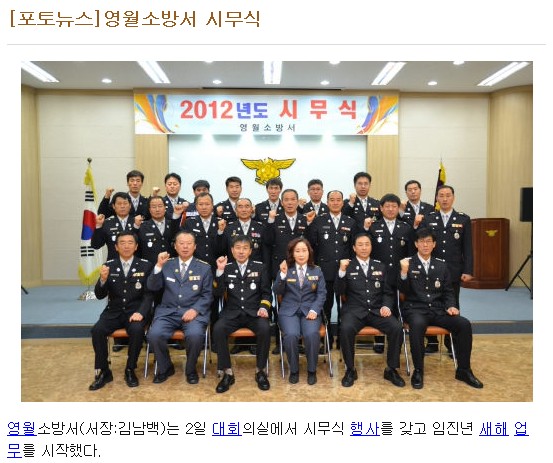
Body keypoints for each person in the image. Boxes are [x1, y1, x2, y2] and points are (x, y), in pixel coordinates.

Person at [398, 227, 483, 390]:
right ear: (416, 244)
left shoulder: (441, 265)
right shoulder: (407, 263)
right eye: (421, 241)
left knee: (464, 324)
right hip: (415, 309)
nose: (425, 245)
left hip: (438, 310)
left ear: (434, 244)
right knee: (417, 325)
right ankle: (418, 371)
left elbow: (448, 291)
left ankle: (464, 370)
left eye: (428, 241)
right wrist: (403, 272)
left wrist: (451, 305)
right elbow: (403, 291)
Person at [335, 233, 405, 388]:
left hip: (376, 311)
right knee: (345, 328)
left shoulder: (380, 266)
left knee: (396, 327)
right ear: (354, 248)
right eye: (360, 245)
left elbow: (388, 292)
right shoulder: (347, 266)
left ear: (371, 247)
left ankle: (391, 369)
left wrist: (386, 306)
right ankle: (350, 369)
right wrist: (341, 272)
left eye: (367, 244)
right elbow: (339, 291)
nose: (364, 248)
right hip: (354, 311)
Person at [89, 231, 154, 390]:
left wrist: (142, 312)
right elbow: (99, 295)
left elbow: (149, 295)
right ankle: (104, 371)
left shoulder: (146, 265)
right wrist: (103, 280)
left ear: (136, 246)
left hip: (135, 312)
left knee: (137, 330)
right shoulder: (109, 265)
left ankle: (130, 369)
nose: (126, 246)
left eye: (130, 243)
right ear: (116, 247)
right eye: (122, 243)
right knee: (97, 330)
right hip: (114, 312)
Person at [146, 231, 213, 384]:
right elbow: (152, 287)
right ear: (175, 246)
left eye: (189, 243)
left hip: (193, 313)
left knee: (195, 336)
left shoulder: (204, 268)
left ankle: (190, 369)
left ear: (195, 246)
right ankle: (165, 367)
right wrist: (158, 266)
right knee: (154, 335)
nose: (185, 247)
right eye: (181, 243)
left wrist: (195, 310)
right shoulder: (166, 264)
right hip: (168, 312)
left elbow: (207, 295)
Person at [212, 235, 273, 393]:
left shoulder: (260, 268)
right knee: (218, 329)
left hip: (254, 313)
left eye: (245, 248)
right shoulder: (226, 268)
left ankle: (260, 370)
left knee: (265, 329)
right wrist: (219, 271)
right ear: (232, 250)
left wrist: (264, 308)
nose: (241, 251)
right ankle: (227, 372)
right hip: (232, 313)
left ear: (250, 251)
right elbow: (217, 293)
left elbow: (267, 293)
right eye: (238, 248)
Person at [420, 185, 474, 353]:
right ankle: (432, 342)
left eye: (448, 195)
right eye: (441, 196)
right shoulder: (429, 218)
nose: (444, 199)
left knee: (453, 304)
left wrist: (468, 270)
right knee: (431, 304)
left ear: (453, 198)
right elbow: (423, 244)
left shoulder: (463, 219)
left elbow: (467, 247)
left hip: (453, 271)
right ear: (436, 198)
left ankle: (452, 345)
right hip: (431, 271)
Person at [307, 190, 357, 350]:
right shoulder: (318, 221)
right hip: (325, 273)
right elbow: (311, 244)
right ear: (327, 202)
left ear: (343, 202)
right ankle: (326, 340)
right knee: (325, 307)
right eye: (332, 200)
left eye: (338, 200)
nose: (335, 203)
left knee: (345, 307)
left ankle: (343, 339)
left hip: (344, 273)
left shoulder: (350, 222)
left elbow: (353, 248)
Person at [274, 238, 326, 385]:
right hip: (289, 311)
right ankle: (294, 370)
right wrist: (282, 275)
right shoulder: (286, 269)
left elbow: (322, 294)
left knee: (311, 334)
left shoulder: (317, 270)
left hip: (310, 310)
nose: (301, 254)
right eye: (297, 251)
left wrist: (315, 309)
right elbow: (277, 291)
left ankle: (311, 370)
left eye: (304, 250)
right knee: (291, 335)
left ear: (309, 252)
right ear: (292, 253)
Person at [368, 193, 415, 353]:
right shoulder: (373, 227)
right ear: (381, 208)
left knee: (396, 307)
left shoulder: (406, 228)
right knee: (378, 305)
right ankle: (379, 340)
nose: (390, 209)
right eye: (387, 206)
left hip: (398, 275)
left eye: (394, 206)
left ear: (398, 208)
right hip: (377, 276)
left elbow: (410, 254)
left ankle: (395, 341)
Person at [181, 192, 224, 328]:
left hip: (214, 269)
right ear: (196, 206)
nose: (204, 207)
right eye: (200, 204)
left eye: (207, 204)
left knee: (213, 301)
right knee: (193, 299)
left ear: (212, 205)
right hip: (194, 269)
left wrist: (220, 232)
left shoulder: (220, 222)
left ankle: (213, 334)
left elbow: (223, 249)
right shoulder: (189, 223)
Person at [219, 197, 268, 264]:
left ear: (252, 209)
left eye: (247, 206)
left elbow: (265, 253)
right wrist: (220, 231)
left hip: (255, 267)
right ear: (236, 210)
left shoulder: (261, 228)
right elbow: (222, 250)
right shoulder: (228, 228)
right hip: (234, 267)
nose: (244, 210)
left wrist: (265, 268)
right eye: (240, 207)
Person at [136, 196, 181, 264]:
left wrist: (176, 214)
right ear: (149, 210)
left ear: (165, 208)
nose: (157, 209)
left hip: (171, 265)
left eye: (160, 206)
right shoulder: (142, 226)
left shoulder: (173, 224)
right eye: (154, 207)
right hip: (150, 265)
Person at [91, 192, 136, 261]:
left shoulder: (138, 223)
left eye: (125, 203)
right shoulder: (107, 223)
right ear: (113, 206)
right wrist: (98, 226)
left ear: (130, 205)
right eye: (119, 204)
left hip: (136, 265)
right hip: (113, 264)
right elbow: (96, 245)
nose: (122, 206)